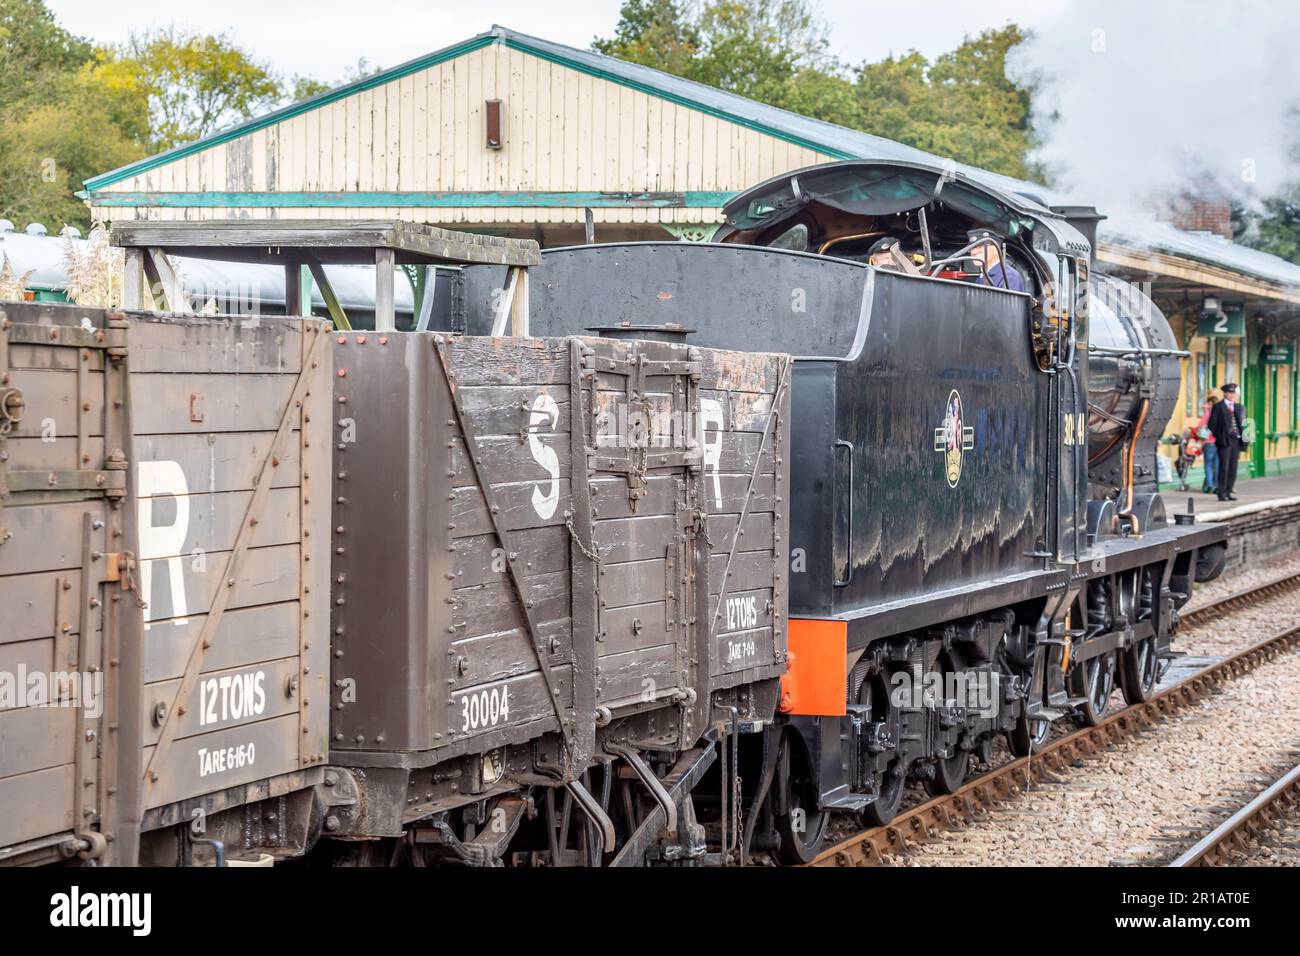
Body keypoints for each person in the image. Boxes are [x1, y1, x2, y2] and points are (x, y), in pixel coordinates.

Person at [1207, 382, 1246, 501]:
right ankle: (1222, 492)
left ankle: (1229, 491)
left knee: (1233, 467)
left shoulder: (1239, 407)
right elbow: (1211, 424)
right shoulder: (1218, 407)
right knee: (1224, 466)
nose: (1232, 395)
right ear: (1225, 393)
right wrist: (1219, 437)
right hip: (1224, 441)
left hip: (1236, 440)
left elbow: (1243, 424)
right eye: (1230, 392)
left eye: (1233, 392)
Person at [1196, 388, 1222, 495]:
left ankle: (1210, 486)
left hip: (1208, 442)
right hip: (1218, 442)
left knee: (1207, 465)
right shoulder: (1220, 414)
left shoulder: (1208, 413)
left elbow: (1201, 426)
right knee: (1217, 466)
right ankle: (1217, 486)